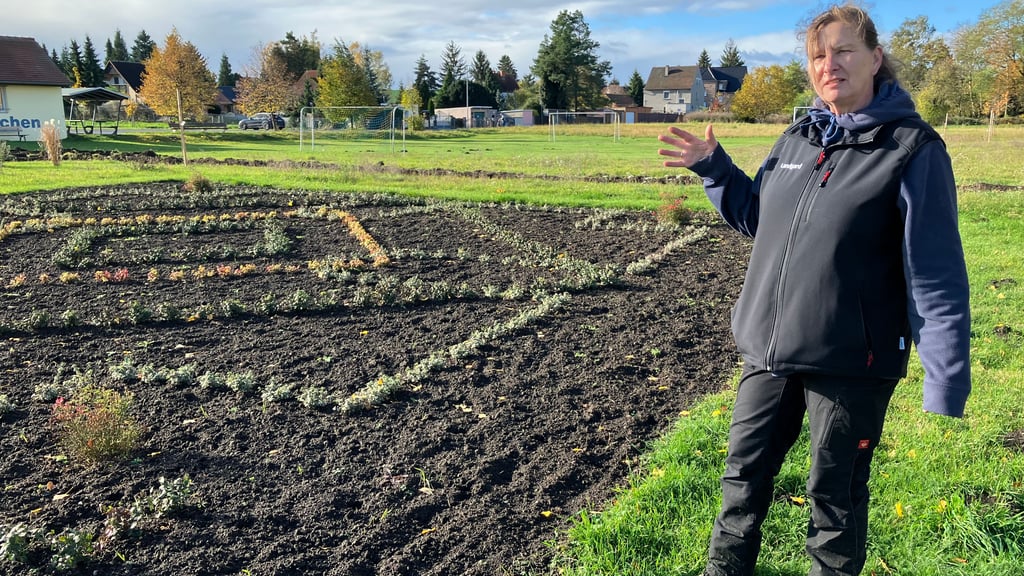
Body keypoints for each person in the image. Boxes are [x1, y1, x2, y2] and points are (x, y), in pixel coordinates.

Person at [657, 4, 971, 576]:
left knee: (835, 502)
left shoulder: (911, 149)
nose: (832, 64)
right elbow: (761, 217)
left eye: (845, 50)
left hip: (854, 359)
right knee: (740, 485)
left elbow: (935, 269)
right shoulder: (798, 138)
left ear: (875, 58)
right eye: (819, 55)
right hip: (769, 352)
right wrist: (717, 170)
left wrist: (945, 377)